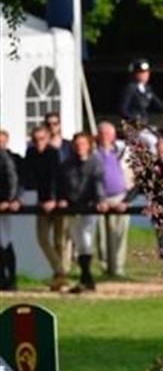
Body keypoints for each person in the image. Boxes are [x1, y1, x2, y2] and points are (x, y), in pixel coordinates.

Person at [57, 132, 106, 293]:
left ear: (89, 145)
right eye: (77, 144)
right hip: (72, 206)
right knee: (78, 241)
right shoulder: (67, 164)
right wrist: (62, 198)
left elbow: (98, 182)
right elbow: (61, 183)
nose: (80, 147)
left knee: (86, 239)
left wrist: (100, 200)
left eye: (83, 144)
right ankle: (86, 278)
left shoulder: (95, 162)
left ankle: (86, 277)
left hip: (88, 206)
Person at [27, 125, 69, 289]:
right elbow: (30, 177)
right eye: (35, 139)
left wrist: (53, 199)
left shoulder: (53, 153)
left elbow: (56, 177)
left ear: (48, 138)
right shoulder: (31, 153)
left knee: (59, 241)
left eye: (42, 139)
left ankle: (59, 278)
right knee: (42, 238)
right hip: (42, 202)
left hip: (57, 201)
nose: (39, 142)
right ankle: (60, 270)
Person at [94, 122, 131, 278]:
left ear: (114, 136)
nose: (105, 137)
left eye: (108, 134)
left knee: (119, 234)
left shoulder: (123, 152)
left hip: (120, 197)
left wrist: (127, 199)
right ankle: (105, 267)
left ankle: (118, 268)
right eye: (102, 133)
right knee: (102, 236)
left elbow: (133, 176)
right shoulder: (93, 153)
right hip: (100, 199)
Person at [119, 59, 163, 127]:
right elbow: (123, 110)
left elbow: (158, 104)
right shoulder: (130, 89)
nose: (145, 75)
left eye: (147, 72)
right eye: (141, 73)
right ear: (134, 74)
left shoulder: (147, 88)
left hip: (145, 123)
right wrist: (135, 120)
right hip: (133, 126)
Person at [0, 129, 20, 290]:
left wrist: (10, 199)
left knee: (5, 240)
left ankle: (10, 278)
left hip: (4, 204)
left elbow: (12, 179)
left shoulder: (8, 158)